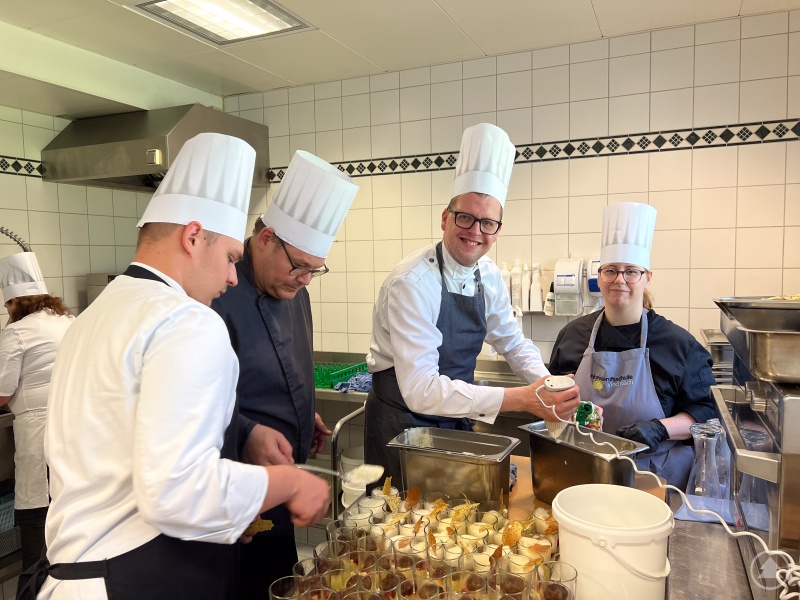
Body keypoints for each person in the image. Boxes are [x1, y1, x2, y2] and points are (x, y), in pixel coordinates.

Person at [30, 133, 330, 600]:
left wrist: (229, 504)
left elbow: (131, 462)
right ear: (193, 236)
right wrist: (289, 482)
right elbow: (178, 492)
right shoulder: (186, 320)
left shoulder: (95, 314)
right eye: (231, 257)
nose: (234, 276)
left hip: (75, 576)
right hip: (139, 577)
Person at [364, 123, 581, 483]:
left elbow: (511, 341)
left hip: (451, 418)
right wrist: (523, 399)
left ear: (498, 228)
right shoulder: (412, 283)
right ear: (445, 218)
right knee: (404, 528)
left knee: (458, 523)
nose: (475, 232)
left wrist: (550, 389)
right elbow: (421, 391)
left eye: (488, 222)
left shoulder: (488, 275)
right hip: (402, 425)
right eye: (465, 217)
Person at [211, 150, 358, 596]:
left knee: (280, 581)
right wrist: (249, 432)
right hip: (231, 494)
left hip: (281, 484)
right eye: (299, 266)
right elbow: (195, 406)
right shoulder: (217, 295)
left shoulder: (296, 292)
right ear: (266, 238)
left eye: (316, 270)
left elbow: (287, 369)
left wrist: (302, 416)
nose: (305, 280)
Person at [548, 202, 715, 490]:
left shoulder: (678, 344)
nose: (619, 280)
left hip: (655, 477)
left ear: (647, 277)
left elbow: (706, 415)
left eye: (631, 272)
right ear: (599, 278)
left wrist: (660, 428)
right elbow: (551, 402)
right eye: (610, 271)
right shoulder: (573, 335)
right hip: (584, 473)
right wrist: (570, 411)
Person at [0, 252, 74, 575]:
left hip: (37, 438)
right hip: (72, 432)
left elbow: (2, 393)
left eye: (7, 304)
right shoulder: (68, 322)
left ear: (16, 300)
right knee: (66, 527)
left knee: (35, 529)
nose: (6, 311)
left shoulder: (17, 333)